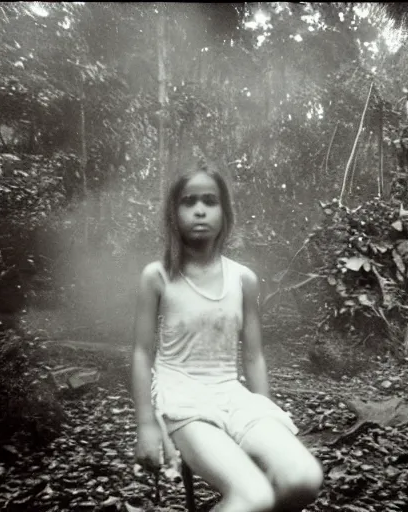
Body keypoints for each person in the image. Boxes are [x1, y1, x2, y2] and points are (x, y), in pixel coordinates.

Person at [132, 155, 323, 512]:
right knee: (255, 496)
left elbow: (253, 355)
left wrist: (264, 412)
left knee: (303, 478)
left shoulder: (243, 279)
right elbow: (143, 352)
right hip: (182, 398)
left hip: (231, 394)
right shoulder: (158, 276)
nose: (200, 210)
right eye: (189, 202)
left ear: (225, 213)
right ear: (173, 213)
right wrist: (145, 425)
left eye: (210, 201)